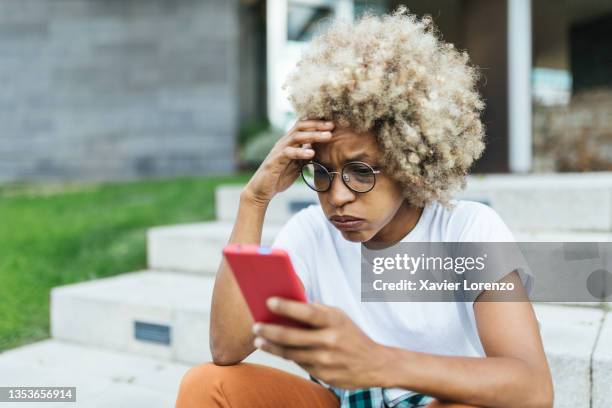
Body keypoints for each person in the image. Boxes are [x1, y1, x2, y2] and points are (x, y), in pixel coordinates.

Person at [175, 7, 553, 408]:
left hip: (440, 401)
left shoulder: (467, 230)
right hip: (343, 402)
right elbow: (226, 349)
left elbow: (532, 388)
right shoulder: (309, 234)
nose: (337, 196)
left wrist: (380, 363)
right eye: (321, 173)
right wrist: (254, 201)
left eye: (359, 171)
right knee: (207, 385)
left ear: (409, 162)